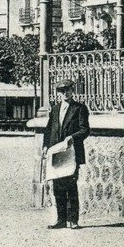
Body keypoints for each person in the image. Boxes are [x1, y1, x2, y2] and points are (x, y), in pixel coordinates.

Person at [42, 79, 90, 229]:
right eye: (62, 91)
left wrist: (72, 137)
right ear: (58, 93)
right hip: (56, 152)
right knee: (58, 187)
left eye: (68, 90)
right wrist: (45, 146)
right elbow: (49, 130)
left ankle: (73, 220)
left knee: (71, 186)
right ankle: (61, 219)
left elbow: (85, 130)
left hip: (72, 153)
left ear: (72, 91)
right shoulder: (55, 109)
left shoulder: (79, 108)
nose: (65, 93)